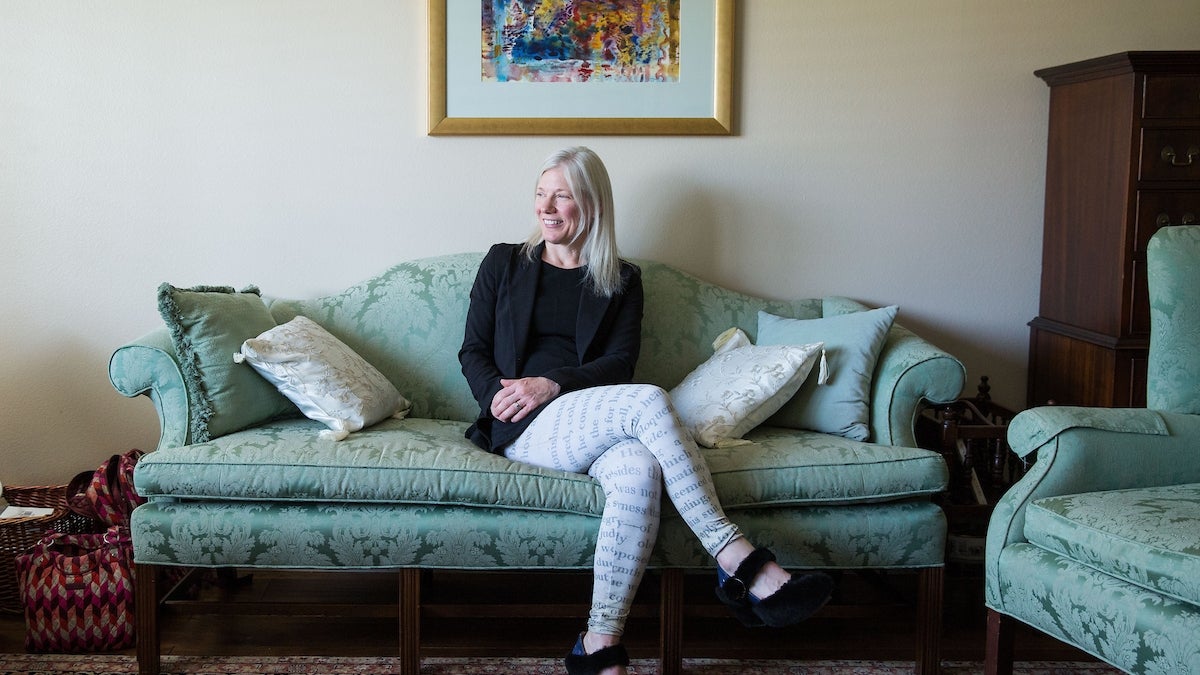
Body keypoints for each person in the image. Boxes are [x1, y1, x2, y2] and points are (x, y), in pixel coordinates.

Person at [459, 146, 834, 675]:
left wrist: (553, 383)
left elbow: (618, 364)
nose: (547, 207)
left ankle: (599, 645)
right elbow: (472, 349)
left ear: (590, 204)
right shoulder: (504, 261)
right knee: (651, 399)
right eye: (541, 194)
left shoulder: (621, 279)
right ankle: (737, 560)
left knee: (640, 470)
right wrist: (503, 400)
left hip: (591, 417)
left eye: (561, 196)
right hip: (524, 423)